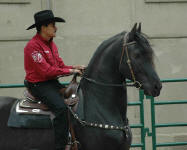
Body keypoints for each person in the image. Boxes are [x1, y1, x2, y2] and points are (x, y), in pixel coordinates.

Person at [24, 10, 85, 150]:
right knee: (61, 108)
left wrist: (74, 67)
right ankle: (60, 145)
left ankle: (73, 137)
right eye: (53, 25)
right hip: (38, 85)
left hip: (50, 82)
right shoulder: (32, 47)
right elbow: (46, 71)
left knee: (75, 99)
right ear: (43, 27)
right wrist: (71, 71)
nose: (56, 27)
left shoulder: (51, 44)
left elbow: (59, 66)